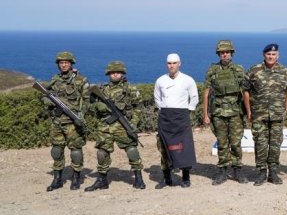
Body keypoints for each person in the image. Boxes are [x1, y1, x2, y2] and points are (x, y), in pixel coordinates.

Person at [85, 61, 146, 191]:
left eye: (118, 72)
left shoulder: (130, 89)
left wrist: (134, 123)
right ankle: (102, 180)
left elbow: (138, 108)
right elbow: (89, 106)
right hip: (105, 126)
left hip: (123, 126)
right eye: (113, 72)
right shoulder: (101, 89)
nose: (115, 74)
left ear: (122, 73)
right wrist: (97, 105)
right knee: (102, 152)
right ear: (108, 74)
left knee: (131, 150)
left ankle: (138, 178)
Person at [243, 43, 287, 186]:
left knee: (275, 144)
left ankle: (273, 172)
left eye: (274, 54)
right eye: (268, 54)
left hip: (277, 115)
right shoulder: (254, 70)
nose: (271, 57)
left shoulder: (285, 71)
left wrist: (286, 108)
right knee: (260, 143)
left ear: (278, 56)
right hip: (259, 115)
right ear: (264, 55)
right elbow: (245, 91)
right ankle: (261, 172)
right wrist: (248, 111)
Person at [203, 40, 248, 185]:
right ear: (218, 54)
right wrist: (205, 114)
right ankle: (222, 171)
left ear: (231, 53)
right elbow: (206, 92)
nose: (225, 54)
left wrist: (249, 112)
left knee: (235, 143)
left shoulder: (239, 69)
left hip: (235, 113)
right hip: (218, 112)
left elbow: (245, 92)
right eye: (222, 52)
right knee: (222, 143)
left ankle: (237, 170)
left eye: (227, 52)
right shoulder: (212, 70)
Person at [43, 51, 89, 191]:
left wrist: (81, 115)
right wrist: (47, 101)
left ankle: (76, 178)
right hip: (57, 121)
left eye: (66, 63)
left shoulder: (80, 80)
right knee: (56, 150)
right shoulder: (54, 79)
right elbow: (44, 95)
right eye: (61, 63)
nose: (63, 65)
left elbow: (86, 100)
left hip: (72, 122)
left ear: (71, 64)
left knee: (75, 150)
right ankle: (57, 179)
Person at [153, 53, 199, 189]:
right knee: (164, 147)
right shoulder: (160, 80)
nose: (171, 66)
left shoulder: (188, 80)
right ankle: (167, 178)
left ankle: (185, 177)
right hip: (165, 117)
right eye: (169, 63)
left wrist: (188, 110)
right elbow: (157, 98)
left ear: (179, 64)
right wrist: (165, 110)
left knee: (184, 147)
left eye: (174, 63)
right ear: (166, 64)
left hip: (182, 116)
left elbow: (194, 97)